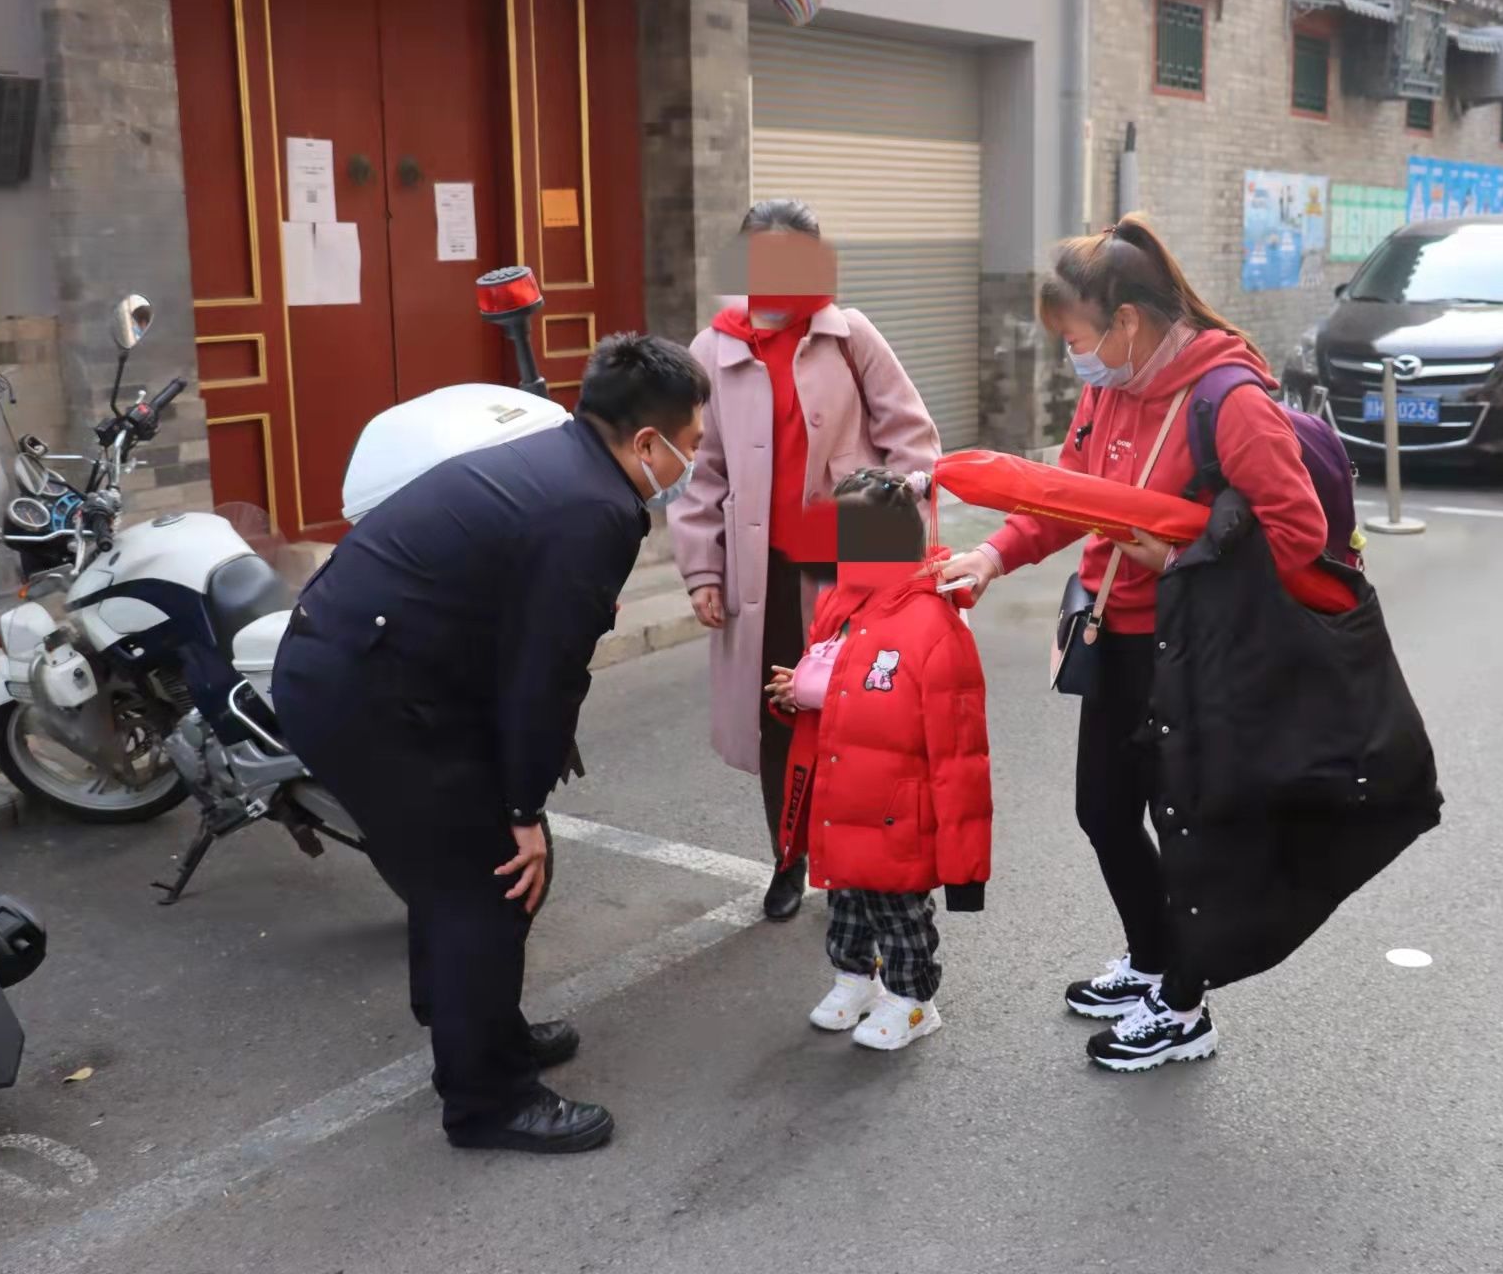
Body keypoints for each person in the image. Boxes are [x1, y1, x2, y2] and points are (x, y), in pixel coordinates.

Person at [271, 333, 709, 1150]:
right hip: (367, 691)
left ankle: (474, 1022)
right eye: (692, 444)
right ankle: (488, 1099)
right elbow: (543, 678)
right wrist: (522, 808)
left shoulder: (559, 455)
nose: (693, 460)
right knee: (491, 882)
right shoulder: (596, 512)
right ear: (646, 442)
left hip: (356, 664)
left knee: (453, 873)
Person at [937, 214, 1331, 1073]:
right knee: (1104, 811)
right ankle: (1153, 957)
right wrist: (992, 554)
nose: (1071, 356)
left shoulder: (1229, 400)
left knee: (1183, 827)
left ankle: (1185, 1006)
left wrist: (1184, 555)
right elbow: (1065, 495)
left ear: (1124, 320)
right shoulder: (1110, 385)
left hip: (1193, 647)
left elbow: (1296, 532)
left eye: (1076, 336)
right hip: (1114, 631)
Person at [669, 199, 941, 922]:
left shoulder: (850, 336)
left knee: (860, 717)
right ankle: (789, 860)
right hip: (764, 574)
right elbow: (701, 472)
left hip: (853, 565)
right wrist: (701, 569)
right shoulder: (713, 350)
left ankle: (861, 862)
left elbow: (913, 439)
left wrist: (894, 523)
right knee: (781, 721)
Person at [766, 469, 990, 1051]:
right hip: (841, 797)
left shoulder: (933, 625)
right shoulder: (838, 601)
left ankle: (913, 1000)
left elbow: (960, 754)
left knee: (900, 915)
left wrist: (964, 863)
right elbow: (836, 681)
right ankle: (853, 979)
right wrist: (800, 693)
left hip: (897, 810)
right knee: (844, 901)